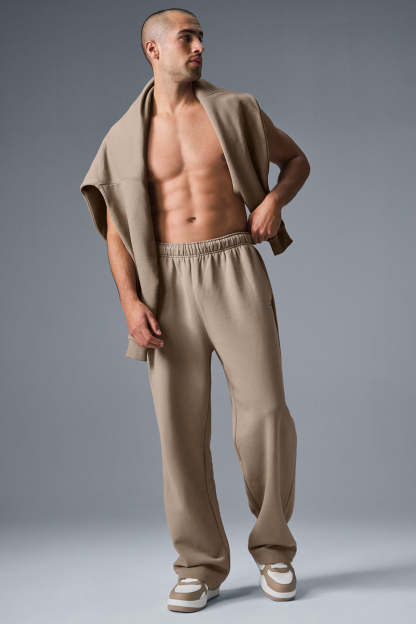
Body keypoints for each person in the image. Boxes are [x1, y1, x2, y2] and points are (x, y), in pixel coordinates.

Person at [101, 7, 309, 612]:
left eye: (201, 37)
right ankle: (198, 563)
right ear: (153, 50)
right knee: (180, 428)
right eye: (185, 37)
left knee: (265, 411)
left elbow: (296, 160)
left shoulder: (236, 108)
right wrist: (130, 301)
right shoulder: (124, 136)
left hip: (233, 262)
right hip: (166, 281)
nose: (198, 47)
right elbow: (115, 229)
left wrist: (272, 202)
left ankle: (274, 549)